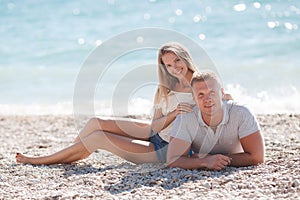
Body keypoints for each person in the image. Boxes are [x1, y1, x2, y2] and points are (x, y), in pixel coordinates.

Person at [15, 42, 198, 165]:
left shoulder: (201, 85)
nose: (174, 68)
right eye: (168, 65)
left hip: (164, 149)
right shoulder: (165, 88)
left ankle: (41, 160)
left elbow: (217, 111)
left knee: (99, 137)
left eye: (177, 61)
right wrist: (173, 114)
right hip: (155, 133)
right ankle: (70, 153)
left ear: (185, 58)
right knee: (95, 122)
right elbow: (155, 126)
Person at [167, 70, 264, 170]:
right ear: (194, 98)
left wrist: (215, 160)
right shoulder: (186, 118)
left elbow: (257, 157)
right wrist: (205, 162)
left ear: (222, 93)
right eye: (201, 94)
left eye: (211, 92)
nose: (207, 99)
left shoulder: (242, 113)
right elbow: (173, 160)